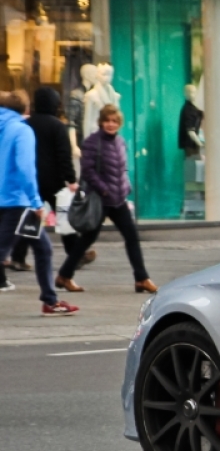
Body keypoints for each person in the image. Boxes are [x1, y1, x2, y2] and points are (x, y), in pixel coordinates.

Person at [56, 105, 157, 294]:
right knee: (87, 239)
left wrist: (126, 185)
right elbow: (88, 171)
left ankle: (141, 278)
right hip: (101, 199)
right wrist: (103, 189)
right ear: (101, 122)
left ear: (119, 123)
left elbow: (123, 167)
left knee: (132, 237)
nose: (111, 124)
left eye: (114, 121)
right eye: (107, 120)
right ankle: (64, 275)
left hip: (118, 199)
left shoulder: (120, 141)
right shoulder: (93, 142)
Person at [0, 92, 78, 316]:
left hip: (6, 199)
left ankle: (50, 300)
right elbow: (25, 168)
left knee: (43, 248)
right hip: (19, 202)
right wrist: (36, 202)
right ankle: (50, 301)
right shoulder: (22, 130)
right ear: (25, 109)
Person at [8, 87, 84, 272]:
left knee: (30, 217)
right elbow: (63, 155)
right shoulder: (57, 125)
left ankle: (18, 257)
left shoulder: (27, 124)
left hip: (33, 180)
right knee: (64, 217)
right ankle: (75, 254)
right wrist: (71, 179)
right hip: (54, 180)